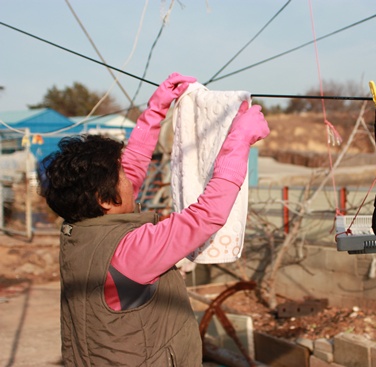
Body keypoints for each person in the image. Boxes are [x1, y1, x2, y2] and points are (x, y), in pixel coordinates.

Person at [39, 72, 270, 366]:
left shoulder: (79, 230)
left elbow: (133, 167)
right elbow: (206, 216)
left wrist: (156, 110)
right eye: (120, 173)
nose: (130, 176)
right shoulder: (130, 251)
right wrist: (239, 140)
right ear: (104, 199)